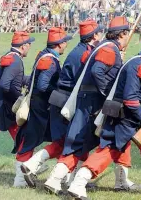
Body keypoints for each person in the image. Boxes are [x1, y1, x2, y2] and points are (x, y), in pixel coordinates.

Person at [66, 30, 141, 198]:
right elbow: (131, 100)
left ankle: (78, 183)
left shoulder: (139, 61)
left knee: (111, 150)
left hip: (122, 114)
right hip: (127, 117)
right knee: (117, 149)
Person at [44, 16, 139, 195]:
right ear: (123, 33)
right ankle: (65, 181)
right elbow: (97, 71)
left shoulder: (108, 48)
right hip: (91, 102)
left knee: (81, 143)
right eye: (128, 35)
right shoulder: (110, 49)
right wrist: (106, 93)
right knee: (79, 142)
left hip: (88, 100)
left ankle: (55, 179)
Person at [20, 20, 104, 188]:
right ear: (94, 35)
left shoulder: (84, 51)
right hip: (67, 101)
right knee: (67, 141)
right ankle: (34, 165)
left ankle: (71, 178)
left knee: (77, 140)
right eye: (100, 33)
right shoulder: (84, 54)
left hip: (65, 99)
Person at [12, 28, 71, 187]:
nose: (66, 45)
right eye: (65, 42)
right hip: (40, 107)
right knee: (30, 140)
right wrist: (59, 94)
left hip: (40, 106)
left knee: (49, 139)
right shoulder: (49, 60)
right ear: (59, 44)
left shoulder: (45, 56)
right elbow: (43, 85)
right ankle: (20, 179)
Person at [0, 32, 35, 178]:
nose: (30, 47)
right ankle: (25, 169)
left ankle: (26, 166)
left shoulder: (10, 56)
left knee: (20, 135)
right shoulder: (15, 60)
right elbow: (5, 84)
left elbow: (14, 78)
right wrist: (18, 99)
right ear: (23, 46)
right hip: (1, 106)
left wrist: (32, 80)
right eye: (29, 44)